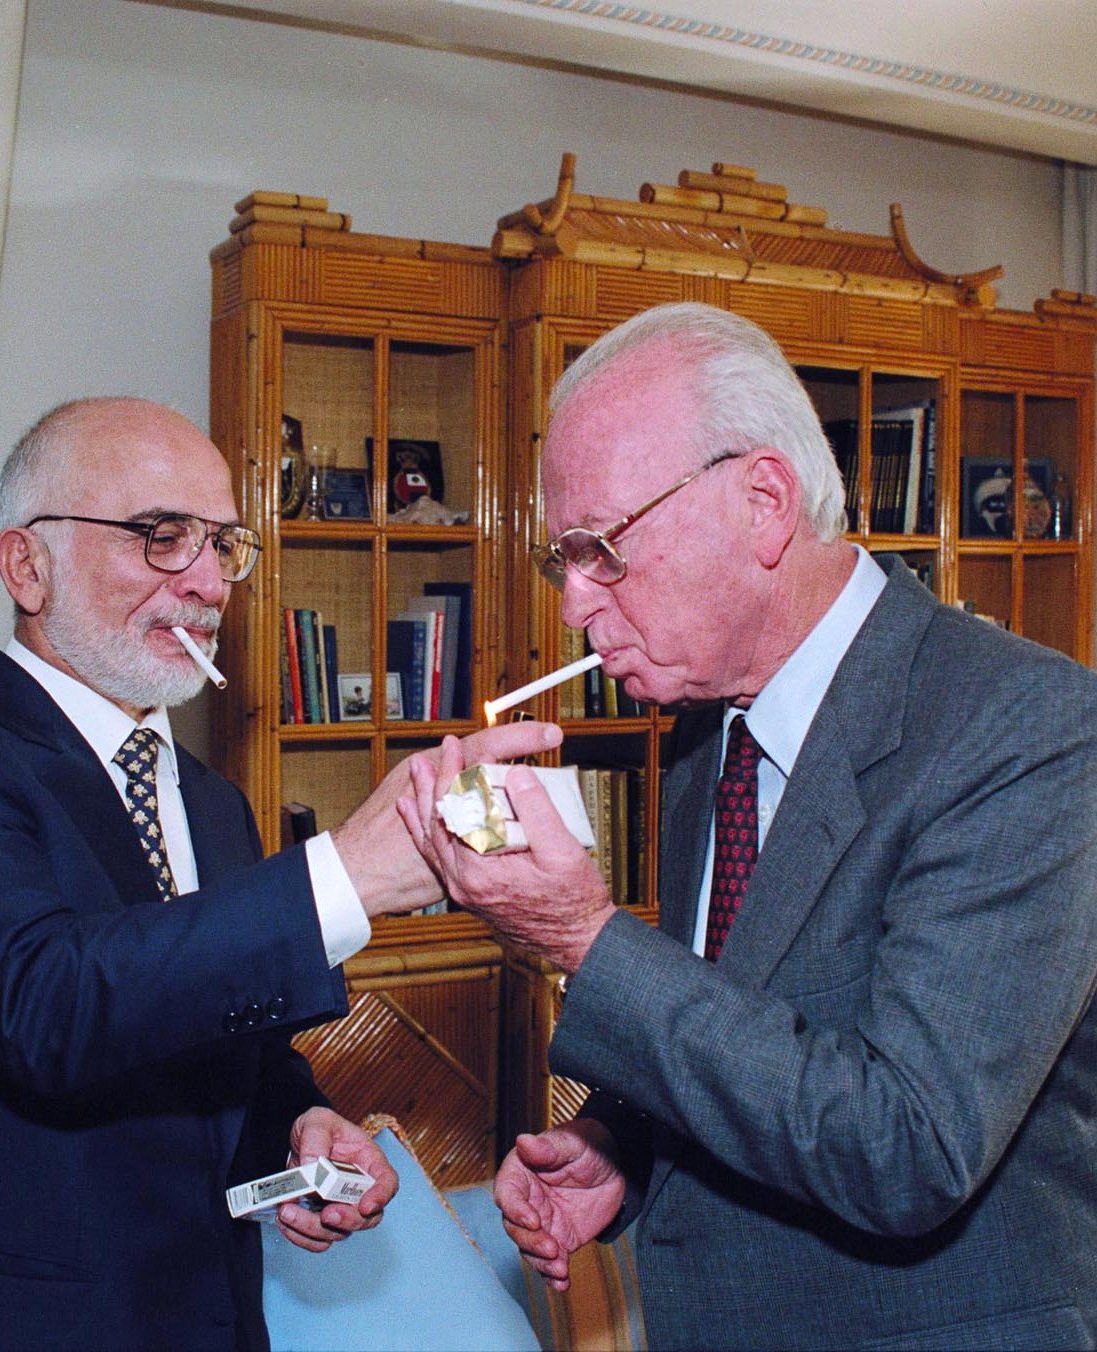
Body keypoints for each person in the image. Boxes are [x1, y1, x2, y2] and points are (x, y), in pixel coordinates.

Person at [400, 303, 1097, 1350]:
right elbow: (761, 1021)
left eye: (598, 550)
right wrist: (626, 1143)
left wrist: (584, 938)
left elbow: (905, 1143)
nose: (572, 608)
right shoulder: (705, 735)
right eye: (562, 562)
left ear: (760, 502)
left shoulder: (1022, 726)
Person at [0, 397, 557, 1351]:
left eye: (223, 544)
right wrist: (342, 876)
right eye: (162, 537)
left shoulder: (208, 802)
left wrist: (300, 1125)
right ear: (25, 566)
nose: (204, 582)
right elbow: (49, 1003)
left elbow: (211, 1036)